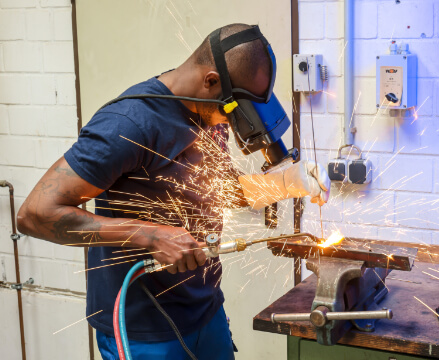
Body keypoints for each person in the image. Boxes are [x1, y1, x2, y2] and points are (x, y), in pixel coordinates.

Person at [17, 23, 330, 359]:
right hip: (142, 331)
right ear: (210, 81)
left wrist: (285, 184)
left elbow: (217, 189)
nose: (229, 122)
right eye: (231, 111)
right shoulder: (128, 124)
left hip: (205, 312)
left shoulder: (208, 112)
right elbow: (34, 215)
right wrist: (150, 236)